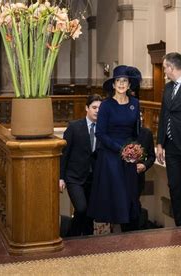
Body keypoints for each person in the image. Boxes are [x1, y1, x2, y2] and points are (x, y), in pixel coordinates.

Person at [87, 65, 142, 232]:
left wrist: (133, 149)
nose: (121, 84)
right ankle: (114, 238)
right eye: (118, 81)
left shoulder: (135, 103)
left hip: (129, 156)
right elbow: (100, 133)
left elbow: (136, 131)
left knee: (128, 195)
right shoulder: (106, 105)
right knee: (115, 196)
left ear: (129, 84)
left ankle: (126, 237)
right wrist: (120, 149)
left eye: (125, 81)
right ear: (113, 85)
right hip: (110, 156)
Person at [157, 52, 181, 227]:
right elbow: (164, 114)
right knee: (174, 186)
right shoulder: (167, 87)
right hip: (171, 145)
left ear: (171, 67)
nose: (164, 70)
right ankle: (180, 225)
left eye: (165, 67)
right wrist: (160, 143)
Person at [59, 94, 102, 236]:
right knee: (82, 208)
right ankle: (72, 236)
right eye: (94, 107)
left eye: (100, 108)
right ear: (87, 108)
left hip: (93, 178)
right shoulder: (74, 127)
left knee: (89, 213)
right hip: (74, 178)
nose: (97, 111)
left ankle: (84, 242)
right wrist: (61, 177)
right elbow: (64, 154)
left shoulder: (104, 129)